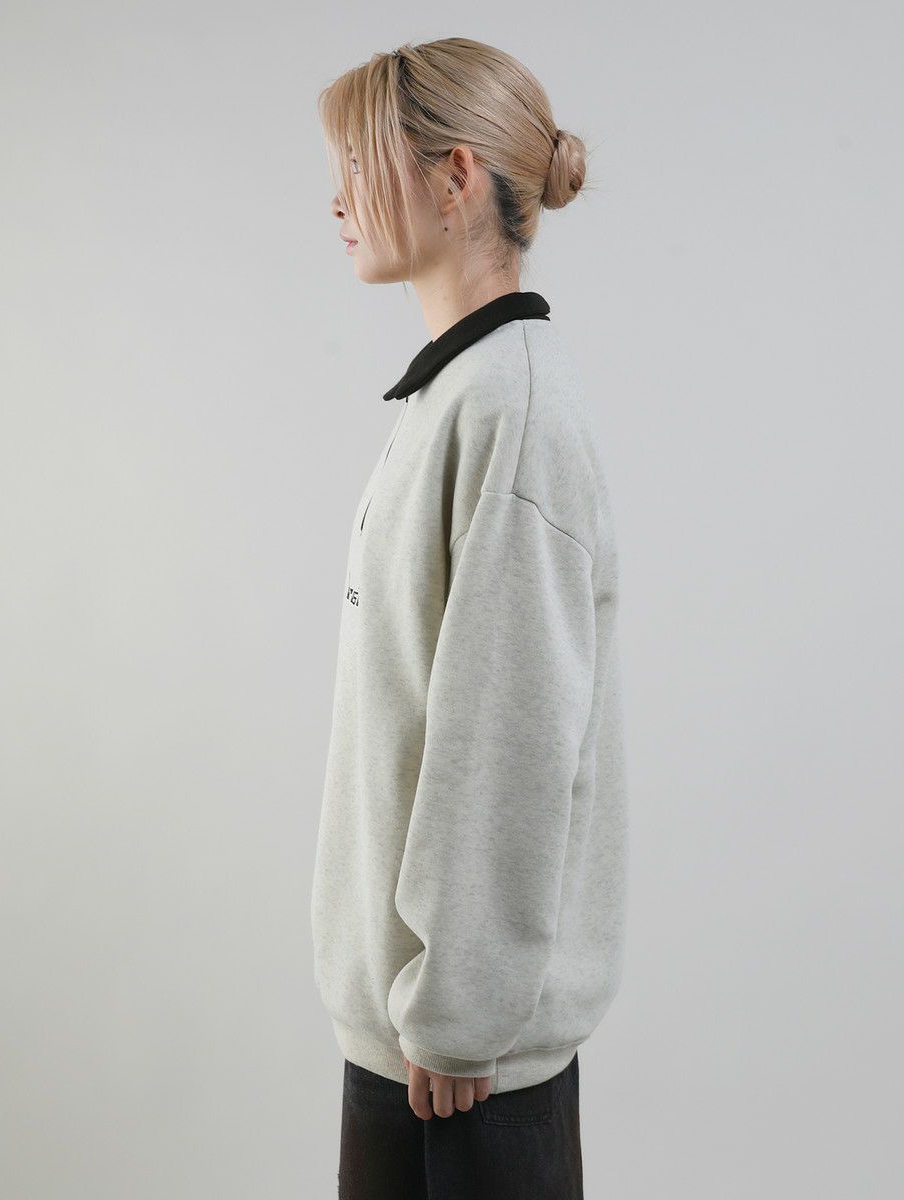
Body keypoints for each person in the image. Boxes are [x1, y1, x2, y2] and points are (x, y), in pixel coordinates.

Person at [310, 37, 629, 1199]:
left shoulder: (510, 411)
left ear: (453, 179)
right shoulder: (456, 394)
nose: (336, 199)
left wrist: (460, 1007)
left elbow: (510, 734)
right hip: (411, 1036)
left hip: (460, 1064)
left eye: (359, 163)